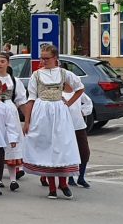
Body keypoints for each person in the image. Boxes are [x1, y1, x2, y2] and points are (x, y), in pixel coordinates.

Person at [23, 44, 83, 200]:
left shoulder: (63, 73)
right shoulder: (36, 75)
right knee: (46, 147)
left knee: (61, 146)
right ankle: (52, 188)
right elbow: (30, 99)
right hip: (42, 112)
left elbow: (80, 88)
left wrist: (68, 103)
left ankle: (63, 183)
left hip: (60, 112)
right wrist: (27, 121)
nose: (43, 61)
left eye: (46, 58)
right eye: (42, 58)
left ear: (55, 58)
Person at [63, 82, 93, 189]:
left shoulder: (78, 93)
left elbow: (88, 103)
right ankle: (70, 177)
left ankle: (81, 177)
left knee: (84, 152)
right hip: (65, 128)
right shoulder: (60, 95)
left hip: (79, 127)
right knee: (69, 153)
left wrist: (83, 111)